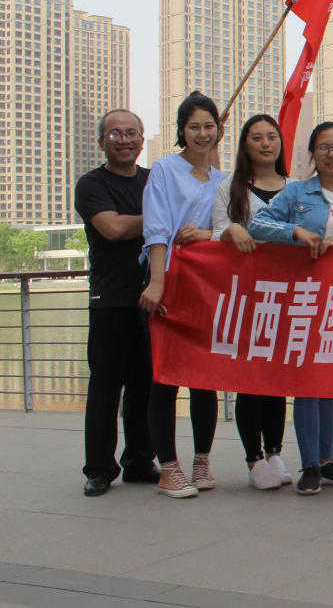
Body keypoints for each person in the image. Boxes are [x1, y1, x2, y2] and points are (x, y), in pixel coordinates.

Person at [249, 122, 333, 496]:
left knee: (328, 380)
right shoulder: (296, 193)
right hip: (302, 297)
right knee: (307, 382)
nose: (332, 154)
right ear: (313, 155)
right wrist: (296, 233)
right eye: (323, 147)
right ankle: (309, 465)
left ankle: (327, 459)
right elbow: (256, 224)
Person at [139, 92, 226, 499]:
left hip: (207, 287)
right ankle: (169, 468)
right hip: (171, 280)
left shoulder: (224, 181)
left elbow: (230, 230)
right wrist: (157, 282)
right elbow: (157, 228)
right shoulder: (164, 170)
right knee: (167, 376)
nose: (202, 134)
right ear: (181, 131)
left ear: (218, 130)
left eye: (209, 126)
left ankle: (202, 461)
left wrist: (208, 234)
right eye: (194, 127)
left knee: (205, 377)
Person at [76, 109, 159, 496]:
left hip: (152, 298)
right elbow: (111, 228)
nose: (124, 140)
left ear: (142, 139)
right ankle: (99, 469)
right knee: (105, 387)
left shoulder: (154, 180)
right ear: (102, 142)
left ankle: (140, 461)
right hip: (109, 299)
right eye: (115, 133)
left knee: (146, 385)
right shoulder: (91, 184)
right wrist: (159, 218)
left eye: (131, 133)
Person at [211, 114, 292, 491]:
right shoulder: (231, 188)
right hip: (246, 294)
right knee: (250, 376)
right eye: (256, 138)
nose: (265, 144)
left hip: (287, 295)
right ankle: (254, 458)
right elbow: (216, 229)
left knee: (277, 377)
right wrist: (232, 228)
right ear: (245, 145)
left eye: (271, 137)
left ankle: (275, 451)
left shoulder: (294, 188)